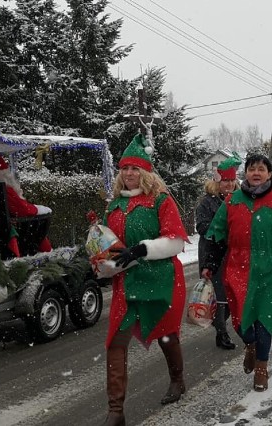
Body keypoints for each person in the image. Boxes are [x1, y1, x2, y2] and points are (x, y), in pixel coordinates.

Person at [201, 153, 272, 392]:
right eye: (252, 169)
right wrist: (209, 265)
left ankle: (261, 366)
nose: (256, 173)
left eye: (261, 169)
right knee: (240, 321)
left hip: (270, 270)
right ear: (246, 173)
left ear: (269, 174)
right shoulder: (232, 202)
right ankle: (250, 344)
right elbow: (217, 238)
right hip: (237, 268)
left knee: (264, 320)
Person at [102, 135, 190, 425]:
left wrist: (142, 249)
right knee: (116, 342)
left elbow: (176, 243)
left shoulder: (161, 201)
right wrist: (104, 264)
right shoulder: (113, 206)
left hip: (160, 280)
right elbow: (109, 247)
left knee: (165, 335)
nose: (129, 174)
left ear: (146, 173)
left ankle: (177, 380)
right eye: (125, 168)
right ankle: (116, 411)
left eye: (135, 169)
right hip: (126, 285)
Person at [195, 153, 242, 350]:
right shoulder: (207, 202)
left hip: (234, 255)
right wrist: (223, 230)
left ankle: (218, 322)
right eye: (225, 180)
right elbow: (203, 227)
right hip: (213, 253)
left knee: (232, 295)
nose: (229, 184)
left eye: (232, 180)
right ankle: (221, 333)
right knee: (220, 294)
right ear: (218, 181)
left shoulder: (240, 199)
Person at [0, 154, 52, 255]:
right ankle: (46, 254)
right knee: (38, 225)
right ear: (5, 175)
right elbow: (23, 210)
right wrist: (38, 209)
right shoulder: (5, 190)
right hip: (8, 231)